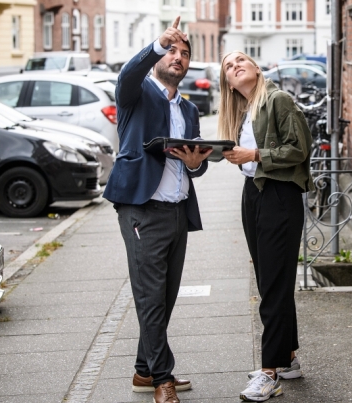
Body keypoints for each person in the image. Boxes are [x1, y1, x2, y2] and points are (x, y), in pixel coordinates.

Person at [102, 16, 211, 403]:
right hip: (141, 210)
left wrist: (197, 161)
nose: (177, 57)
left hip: (178, 210)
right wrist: (157, 43)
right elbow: (129, 73)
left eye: (184, 53)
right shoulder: (136, 93)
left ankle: (143, 371)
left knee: (163, 297)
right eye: (172, 51)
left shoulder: (190, 109)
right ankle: (162, 379)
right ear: (160, 57)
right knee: (149, 296)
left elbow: (198, 163)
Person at [219, 51, 313, 402]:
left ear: (256, 68)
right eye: (229, 66)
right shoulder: (245, 110)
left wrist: (256, 155)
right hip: (254, 194)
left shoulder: (278, 100)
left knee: (272, 285)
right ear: (227, 82)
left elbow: (299, 149)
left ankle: (270, 372)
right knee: (270, 280)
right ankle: (287, 358)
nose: (236, 65)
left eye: (242, 60)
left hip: (279, 196)